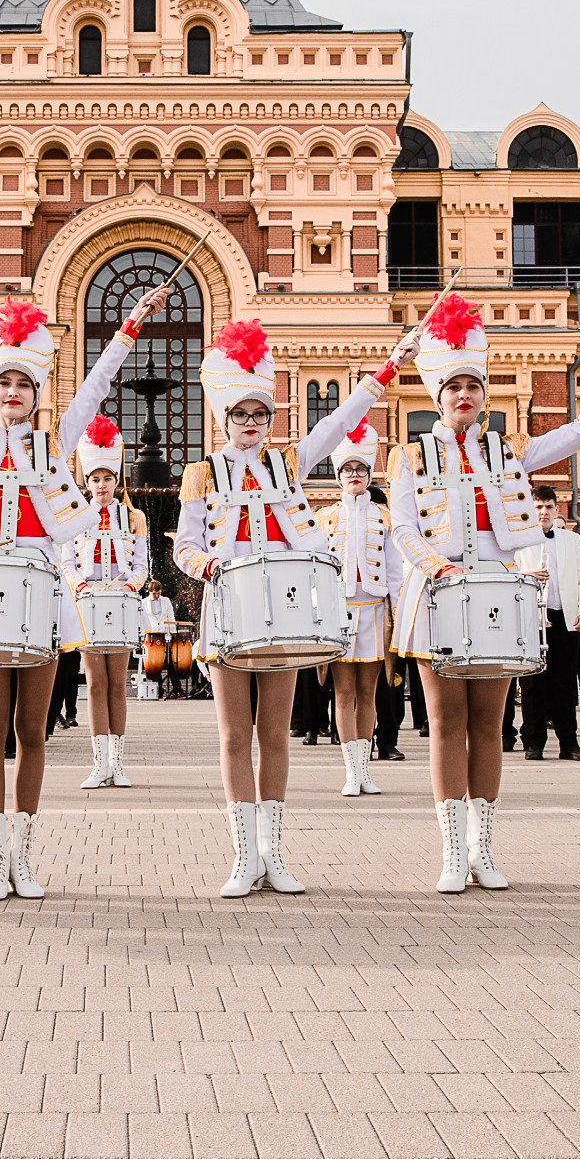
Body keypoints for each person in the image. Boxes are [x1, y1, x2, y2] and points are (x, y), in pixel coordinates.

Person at [392, 295, 580, 894]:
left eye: (474, 385)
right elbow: (402, 529)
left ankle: (483, 847)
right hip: (440, 596)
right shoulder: (410, 455)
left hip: (498, 597)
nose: (464, 396)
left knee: (491, 721)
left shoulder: (509, 450)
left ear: (485, 392)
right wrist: (436, 568)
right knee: (447, 723)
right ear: (437, 396)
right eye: (454, 388)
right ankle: (450, 850)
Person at [0, 288, 164, 900]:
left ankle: (23, 856)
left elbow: (94, 386)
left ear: (36, 394)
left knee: (33, 729)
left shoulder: (56, 443)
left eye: (24, 384)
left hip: (43, 591)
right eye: (4, 382)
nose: (13, 393)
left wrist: (132, 323)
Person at [179, 314, 417, 899]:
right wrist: (207, 564)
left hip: (284, 615)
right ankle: (242, 857)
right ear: (225, 417)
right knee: (236, 737)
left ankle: (274, 852)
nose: (251, 425)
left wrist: (391, 364)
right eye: (240, 415)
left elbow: (339, 422)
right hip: (229, 614)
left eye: (260, 414)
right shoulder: (201, 472)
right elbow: (185, 547)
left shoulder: (290, 463)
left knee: (277, 736)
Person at [64, 415, 149, 790]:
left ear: (117, 481)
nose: (101, 485)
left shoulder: (134, 517)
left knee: (119, 682)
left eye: (108, 479)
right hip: (89, 602)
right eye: (95, 479)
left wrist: (132, 584)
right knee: (96, 684)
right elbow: (66, 561)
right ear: (87, 481)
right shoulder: (75, 517)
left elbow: (143, 564)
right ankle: (99, 764)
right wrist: (80, 584)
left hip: (123, 602)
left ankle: (119, 763)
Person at [316, 420, 395, 795]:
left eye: (360, 469)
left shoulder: (386, 516)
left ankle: (365, 769)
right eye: (347, 470)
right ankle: (350, 770)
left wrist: (397, 611)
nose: (354, 475)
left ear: (369, 472)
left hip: (377, 610)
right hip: (340, 614)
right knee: (343, 693)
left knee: (370, 692)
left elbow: (395, 570)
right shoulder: (326, 517)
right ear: (338, 474)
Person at [517, 483, 580, 762]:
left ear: (557, 510)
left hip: (565, 618)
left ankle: (569, 742)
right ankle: (534, 742)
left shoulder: (571, 541)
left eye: (549, 507)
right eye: (538, 507)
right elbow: (508, 573)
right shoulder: (518, 540)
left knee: (565, 681)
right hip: (532, 618)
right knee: (533, 683)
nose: (543, 512)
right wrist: (526, 574)